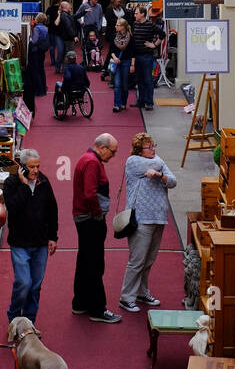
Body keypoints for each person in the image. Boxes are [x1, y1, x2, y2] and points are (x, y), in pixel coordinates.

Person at [119, 132, 176, 311]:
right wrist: (161, 169)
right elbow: (156, 164)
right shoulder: (133, 162)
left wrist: (159, 175)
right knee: (137, 259)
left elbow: (173, 181)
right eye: (148, 147)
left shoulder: (155, 161)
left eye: (153, 145)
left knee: (149, 259)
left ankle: (142, 293)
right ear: (139, 150)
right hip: (141, 218)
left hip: (158, 217)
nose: (153, 149)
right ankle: (126, 297)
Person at [2, 148, 58, 325]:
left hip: (40, 243)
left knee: (35, 286)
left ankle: (29, 321)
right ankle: (13, 317)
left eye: (38, 166)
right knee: (23, 283)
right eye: (31, 167)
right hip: (20, 243)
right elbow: (13, 208)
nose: (35, 170)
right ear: (22, 167)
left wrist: (53, 237)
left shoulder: (44, 181)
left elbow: (52, 210)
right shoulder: (11, 184)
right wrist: (25, 186)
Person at [71, 133, 121, 323]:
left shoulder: (87, 159)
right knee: (95, 263)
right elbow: (90, 193)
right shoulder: (92, 162)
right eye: (112, 152)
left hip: (83, 217)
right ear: (102, 148)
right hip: (90, 219)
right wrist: (98, 213)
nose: (113, 156)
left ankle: (80, 303)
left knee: (84, 260)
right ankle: (97, 309)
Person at [131, 3, 162, 111]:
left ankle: (149, 102)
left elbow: (162, 34)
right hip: (137, 55)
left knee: (148, 80)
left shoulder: (150, 24)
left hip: (146, 56)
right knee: (139, 80)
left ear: (142, 14)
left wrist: (154, 44)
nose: (134, 15)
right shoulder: (135, 24)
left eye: (136, 13)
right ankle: (141, 101)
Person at [108, 17, 136, 113]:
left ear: (123, 27)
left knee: (124, 85)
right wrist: (115, 58)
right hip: (116, 62)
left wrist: (132, 65)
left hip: (126, 62)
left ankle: (123, 102)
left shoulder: (130, 38)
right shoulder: (114, 36)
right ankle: (116, 105)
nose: (115, 26)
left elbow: (133, 52)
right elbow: (111, 49)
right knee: (117, 84)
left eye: (117, 25)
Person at [27, 12, 49, 96]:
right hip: (42, 51)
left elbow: (35, 40)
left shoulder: (37, 28)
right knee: (41, 70)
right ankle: (43, 88)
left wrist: (30, 41)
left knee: (36, 71)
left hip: (36, 51)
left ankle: (39, 90)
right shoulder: (45, 28)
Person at [53, 0, 78, 72]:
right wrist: (59, 14)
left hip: (64, 36)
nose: (70, 6)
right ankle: (58, 68)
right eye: (68, 5)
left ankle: (64, 68)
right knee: (61, 51)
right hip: (58, 35)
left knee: (64, 52)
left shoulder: (67, 14)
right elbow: (56, 24)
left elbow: (74, 17)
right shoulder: (60, 13)